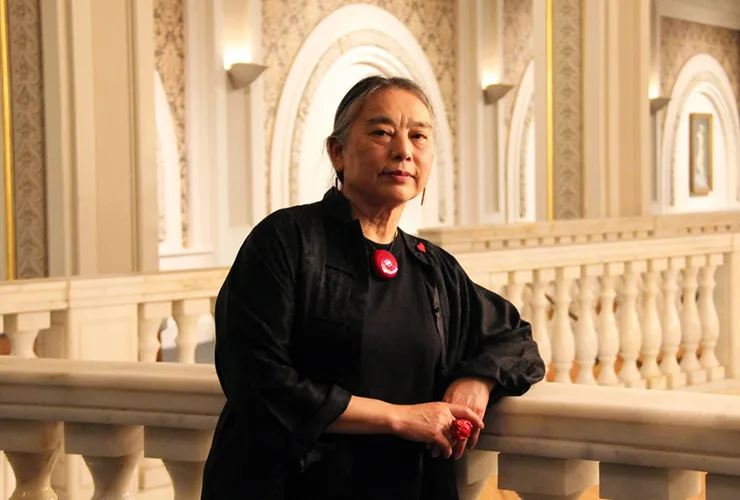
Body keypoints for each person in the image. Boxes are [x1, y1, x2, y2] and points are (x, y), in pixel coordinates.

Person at [201, 75, 546, 500]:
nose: (404, 150)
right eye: (382, 132)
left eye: (419, 136)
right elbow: (257, 379)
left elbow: (517, 341)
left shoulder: (432, 267)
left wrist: (478, 378)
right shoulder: (286, 240)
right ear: (337, 152)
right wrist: (399, 418)